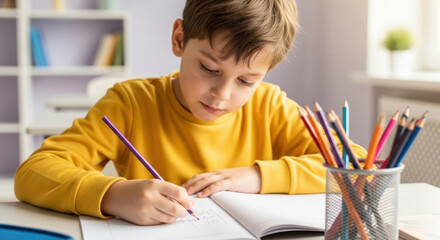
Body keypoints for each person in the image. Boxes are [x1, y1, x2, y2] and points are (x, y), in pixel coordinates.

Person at [15, 0, 367, 226]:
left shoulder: (270, 106)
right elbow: (33, 174)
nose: (223, 94)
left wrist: (258, 177)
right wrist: (112, 195)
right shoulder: (131, 103)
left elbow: (359, 167)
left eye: (246, 80)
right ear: (180, 40)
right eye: (209, 68)